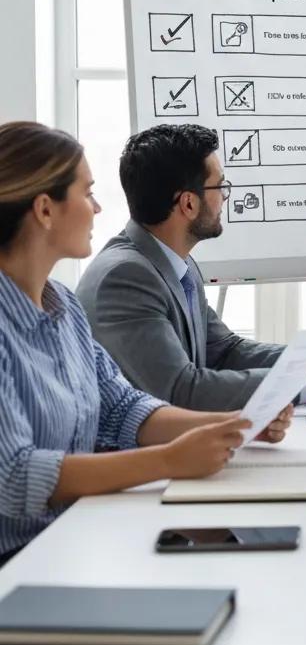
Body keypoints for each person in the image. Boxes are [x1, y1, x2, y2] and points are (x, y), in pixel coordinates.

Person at [0, 122, 291, 564]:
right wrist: (168, 460)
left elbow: (122, 407)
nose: (98, 208)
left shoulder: (63, 307)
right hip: (20, 561)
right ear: (45, 210)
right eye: (87, 193)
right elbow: (15, 475)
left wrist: (234, 425)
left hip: (77, 534)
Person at [77, 125, 306, 410]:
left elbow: (225, 351)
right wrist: (303, 384)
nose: (226, 196)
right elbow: (180, 391)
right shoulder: (126, 277)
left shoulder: (175, 263)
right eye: (220, 186)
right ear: (189, 204)